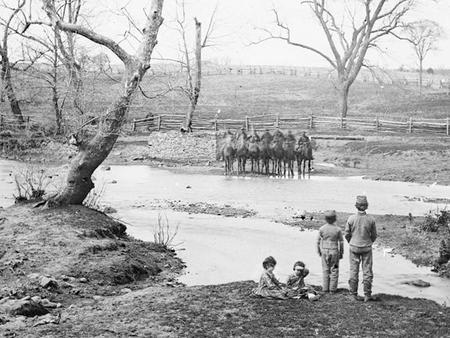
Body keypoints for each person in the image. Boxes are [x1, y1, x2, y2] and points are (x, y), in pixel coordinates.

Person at [344, 195, 377, 302]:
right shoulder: (371, 219)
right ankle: (367, 295)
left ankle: (353, 294)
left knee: (354, 269)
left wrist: (351, 242)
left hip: (354, 246)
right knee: (367, 270)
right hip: (366, 247)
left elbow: (347, 234)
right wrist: (369, 242)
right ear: (367, 206)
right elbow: (374, 235)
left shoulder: (351, 218)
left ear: (356, 206)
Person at [317, 210, 344, 294]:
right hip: (334, 251)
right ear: (335, 219)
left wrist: (319, 251)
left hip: (324, 251)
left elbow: (318, 241)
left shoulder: (322, 228)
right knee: (334, 269)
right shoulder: (338, 229)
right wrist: (341, 252)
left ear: (325, 219)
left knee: (325, 269)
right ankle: (332, 289)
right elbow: (341, 242)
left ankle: (325, 288)